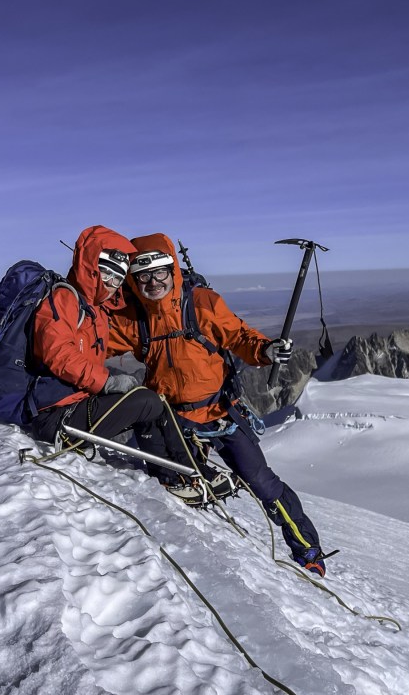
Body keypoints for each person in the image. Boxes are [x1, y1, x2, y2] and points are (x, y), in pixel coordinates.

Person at [107, 233, 329, 577]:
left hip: (220, 411)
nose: (153, 282)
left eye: (160, 272)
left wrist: (265, 350)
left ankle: (307, 550)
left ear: (173, 270)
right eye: (144, 276)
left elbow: (238, 336)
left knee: (263, 483)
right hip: (172, 418)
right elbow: (93, 343)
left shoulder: (201, 304)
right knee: (172, 486)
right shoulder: (134, 319)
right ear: (134, 281)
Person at [28, 224, 209, 489]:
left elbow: (121, 312)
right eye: (107, 276)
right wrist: (108, 382)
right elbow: (59, 354)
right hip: (56, 417)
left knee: (150, 400)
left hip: (73, 405)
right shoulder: (64, 300)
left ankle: (181, 470)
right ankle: (182, 474)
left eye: (118, 278)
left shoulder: (94, 309)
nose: (113, 285)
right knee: (147, 402)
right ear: (91, 269)